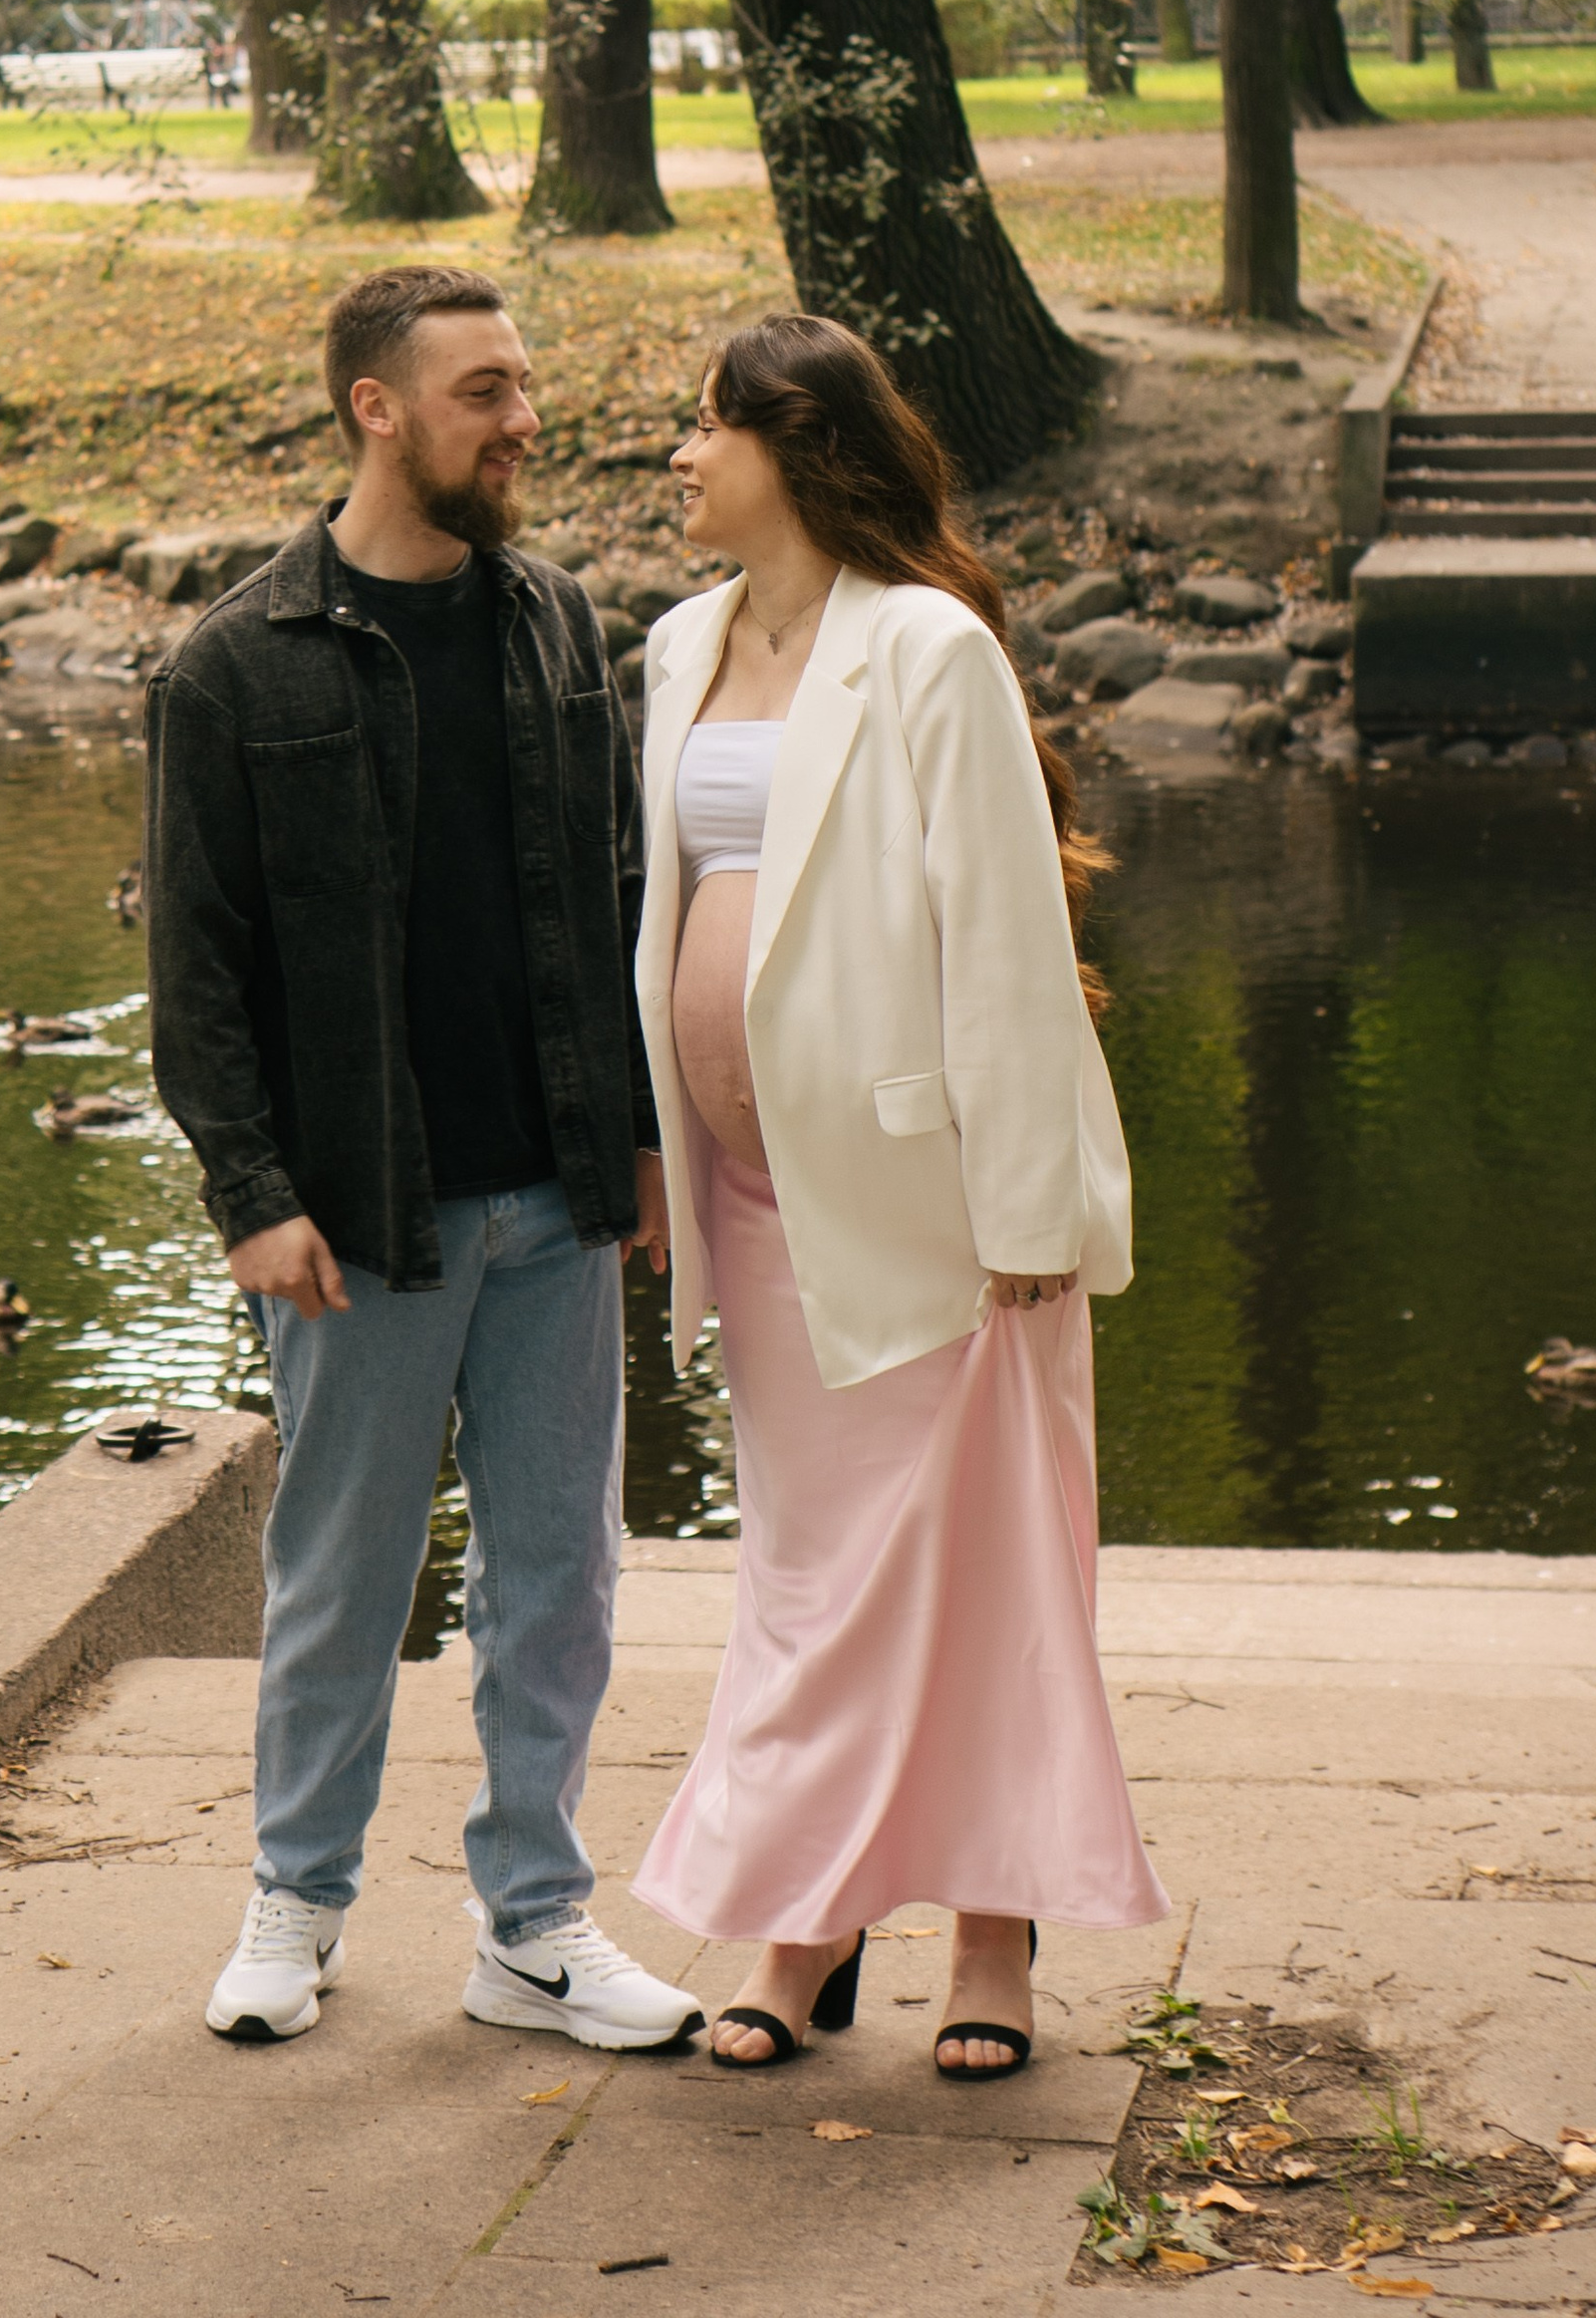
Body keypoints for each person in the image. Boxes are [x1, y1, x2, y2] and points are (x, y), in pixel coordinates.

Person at [146, 262, 701, 2057]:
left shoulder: (554, 621)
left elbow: (619, 896)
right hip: (360, 1216)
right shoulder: (236, 663)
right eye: (485, 393)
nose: (523, 419)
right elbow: (198, 967)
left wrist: (638, 1139)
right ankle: (297, 1902)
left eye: (524, 384)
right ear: (376, 408)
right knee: (341, 1578)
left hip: (556, 1198)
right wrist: (253, 1194)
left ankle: (533, 1927)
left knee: (560, 1579)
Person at [627, 313, 1163, 2079]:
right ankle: (812, 1915)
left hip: (933, 1202)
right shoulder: (679, 645)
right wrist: (657, 1152)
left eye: (708, 426)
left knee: (980, 1567)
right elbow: (662, 914)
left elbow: (1005, 935)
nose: (681, 454)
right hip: (753, 1193)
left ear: (798, 444)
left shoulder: (928, 646)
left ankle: (991, 1932)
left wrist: (1026, 1213)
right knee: (805, 1573)